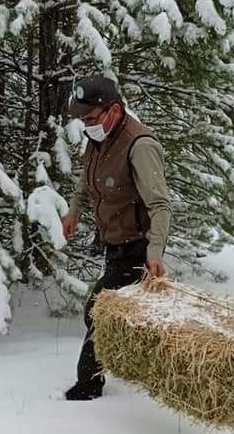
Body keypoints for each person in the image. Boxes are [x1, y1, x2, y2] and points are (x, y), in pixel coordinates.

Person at [63, 75, 172, 401]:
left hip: (136, 248)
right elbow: (87, 180)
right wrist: (73, 211)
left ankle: (88, 387)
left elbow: (161, 205)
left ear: (113, 110)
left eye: (91, 118)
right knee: (122, 315)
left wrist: (154, 252)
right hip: (114, 245)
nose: (86, 125)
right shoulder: (99, 137)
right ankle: (138, 364)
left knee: (98, 312)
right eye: (82, 119)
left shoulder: (140, 146)